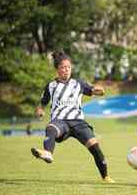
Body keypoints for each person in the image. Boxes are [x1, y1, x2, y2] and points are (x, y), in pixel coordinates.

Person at [31, 51, 114, 183]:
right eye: (63, 67)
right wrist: (40, 110)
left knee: (95, 147)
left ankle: (106, 177)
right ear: (57, 69)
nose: (66, 70)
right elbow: (42, 103)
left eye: (68, 67)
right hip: (60, 122)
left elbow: (94, 90)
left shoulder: (78, 83)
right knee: (50, 128)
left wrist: (99, 90)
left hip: (78, 123)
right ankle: (48, 153)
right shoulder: (51, 86)